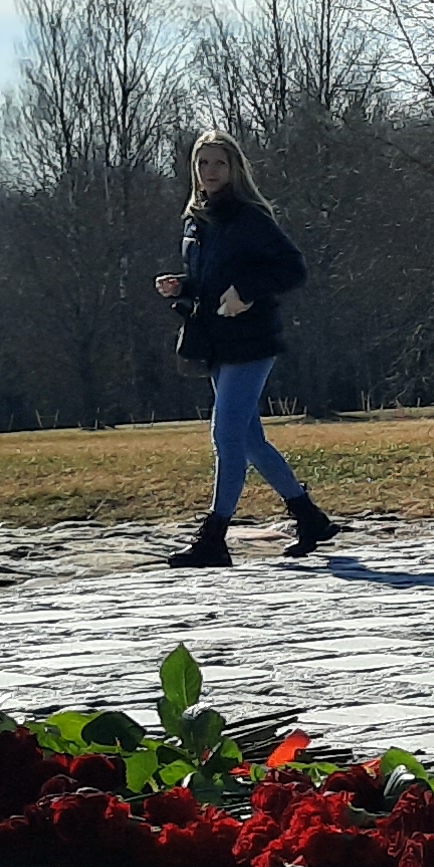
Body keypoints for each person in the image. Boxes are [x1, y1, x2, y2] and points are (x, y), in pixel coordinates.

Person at [154, 132, 337, 569]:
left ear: (235, 168)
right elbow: (214, 278)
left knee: (226, 434)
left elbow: (292, 269)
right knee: (250, 439)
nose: (211, 172)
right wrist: (184, 284)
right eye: (203, 164)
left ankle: (214, 537)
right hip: (217, 341)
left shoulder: (250, 217)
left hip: (252, 342)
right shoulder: (198, 221)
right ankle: (310, 519)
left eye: (219, 163)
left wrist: (247, 292)